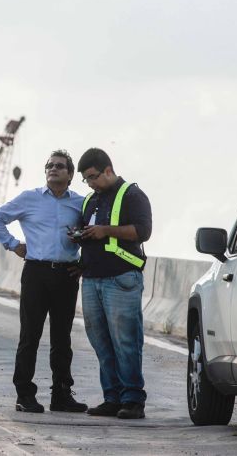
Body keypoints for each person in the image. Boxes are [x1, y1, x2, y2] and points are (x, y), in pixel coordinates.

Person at [0, 149, 88, 414]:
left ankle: (62, 395)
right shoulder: (29, 198)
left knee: (62, 338)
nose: (53, 169)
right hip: (36, 273)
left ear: (70, 174)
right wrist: (13, 244)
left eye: (59, 166)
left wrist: (83, 262)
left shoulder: (80, 203)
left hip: (66, 275)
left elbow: (92, 233)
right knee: (30, 336)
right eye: (49, 165)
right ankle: (24, 395)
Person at [74, 148, 152, 420]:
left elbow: (143, 231)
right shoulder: (89, 201)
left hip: (121, 279)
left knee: (126, 341)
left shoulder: (132, 195)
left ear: (107, 169)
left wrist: (105, 231)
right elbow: (89, 235)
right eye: (86, 180)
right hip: (92, 279)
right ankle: (112, 397)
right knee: (101, 341)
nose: (90, 183)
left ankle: (132, 399)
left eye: (93, 177)